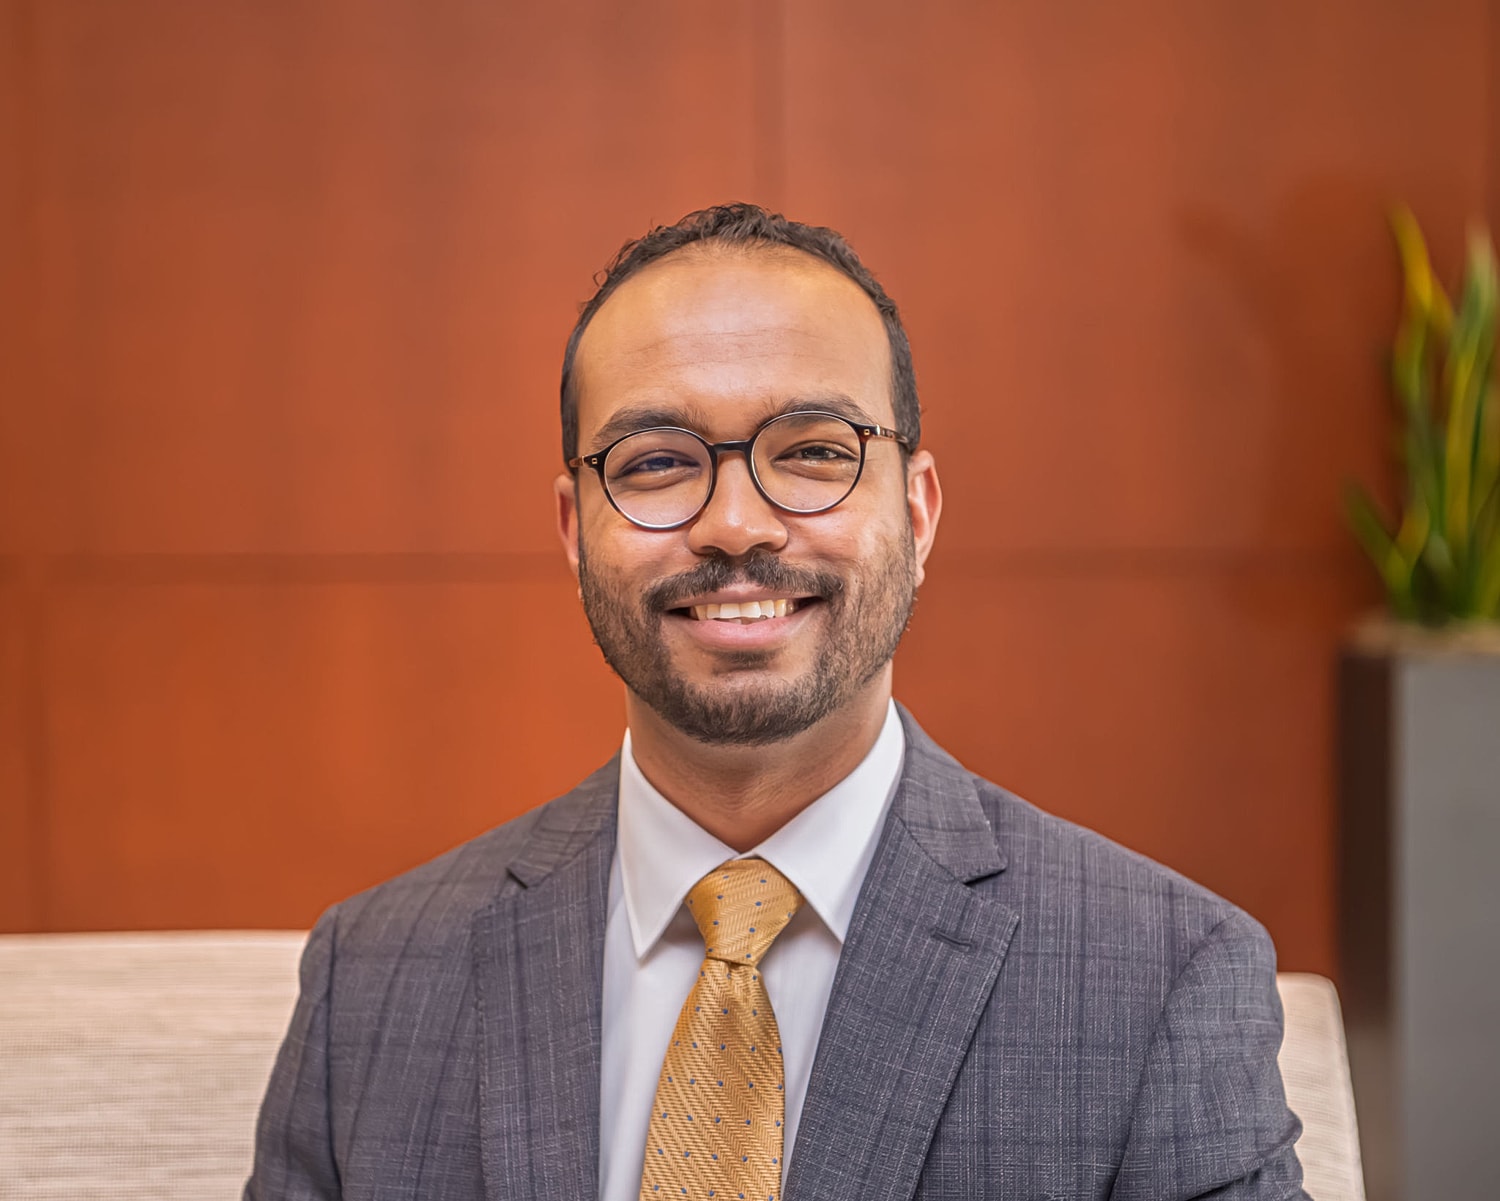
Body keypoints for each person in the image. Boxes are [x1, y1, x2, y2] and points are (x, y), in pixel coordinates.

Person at [246, 204, 1307, 1201]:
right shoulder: (372, 981)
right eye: (657, 463)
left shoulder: (1161, 979)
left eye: (811, 453)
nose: (737, 524)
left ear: (918, 510)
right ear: (574, 532)